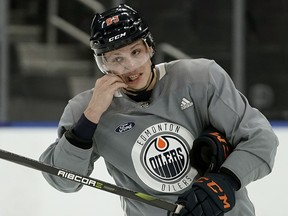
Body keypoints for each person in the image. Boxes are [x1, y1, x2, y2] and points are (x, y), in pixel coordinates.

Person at [39, 4, 278, 216]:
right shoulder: (85, 109)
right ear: (102, 64)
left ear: (150, 47)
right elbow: (64, 182)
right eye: (116, 59)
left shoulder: (200, 78)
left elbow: (261, 139)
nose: (130, 66)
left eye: (136, 52)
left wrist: (226, 181)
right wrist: (90, 118)